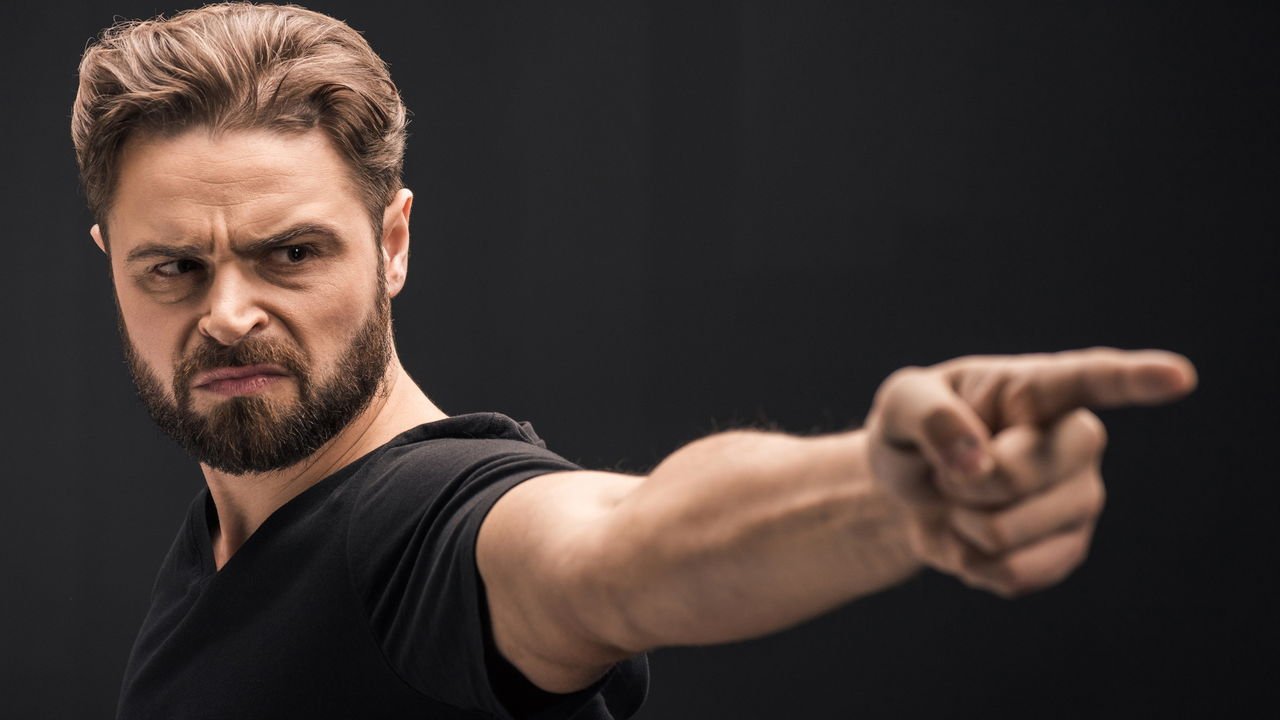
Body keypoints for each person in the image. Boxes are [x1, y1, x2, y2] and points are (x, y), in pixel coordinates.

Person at [72, 4, 1198, 719]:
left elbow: (620, 547)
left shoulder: (419, 530)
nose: (229, 315)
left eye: (290, 254)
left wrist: (887, 495)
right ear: (111, 264)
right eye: (173, 269)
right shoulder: (230, 536)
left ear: (393, 243)